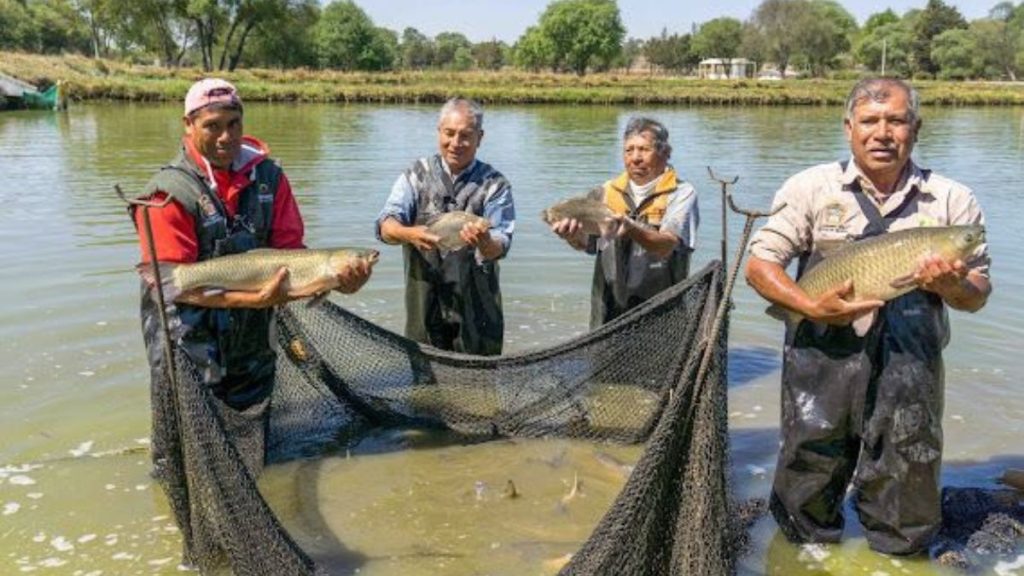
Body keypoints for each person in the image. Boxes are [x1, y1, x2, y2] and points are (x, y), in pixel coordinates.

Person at [744, 78, 991, 555]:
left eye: (896, 121)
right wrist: (808, 306)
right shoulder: (811, 188)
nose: (883, 132)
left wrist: (952, 285)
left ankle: (897, 558)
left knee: (909, 476)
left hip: (910, 365)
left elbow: (977, 294)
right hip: (821, 355)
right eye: (870, 121)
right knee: (808, 475)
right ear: (849, 128)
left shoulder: (951, 200)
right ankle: (801, 556)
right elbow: (759, 265)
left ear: (915, 129)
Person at [133, 78, 371, 475]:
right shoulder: (166, 192)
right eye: (212, 125)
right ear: (188, 125)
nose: (226, 136)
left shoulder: (270, 178)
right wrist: (254, 299)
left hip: (251, 337)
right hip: (187, 334)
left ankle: (250, 486)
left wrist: (336, 283)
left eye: (234, 123)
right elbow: (172, 286)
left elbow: (294, 256)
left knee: (249, 434)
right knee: (185, 447)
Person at [376, 97, 515, 355]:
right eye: (449, 134)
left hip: (480, 317)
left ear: (480, 138)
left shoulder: (496, 185)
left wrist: (485, 242)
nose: (455, 143)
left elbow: (501, 244)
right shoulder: (415, 175)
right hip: (424, 312)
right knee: (424, 392)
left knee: (480, 390)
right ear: (438, 132)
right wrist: (409, 233)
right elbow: (386, 225)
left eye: (465, 136)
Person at [550, 117, 698, 328]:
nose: (635, 158)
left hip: (663, 312)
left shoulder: (681, 193)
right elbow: (588, 245)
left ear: (666, 153)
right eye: (629, 150)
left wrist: (630, 228)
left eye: (643, 149)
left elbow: (666, 244)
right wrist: (572, 237)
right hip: (607, 310)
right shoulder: (604, 192)